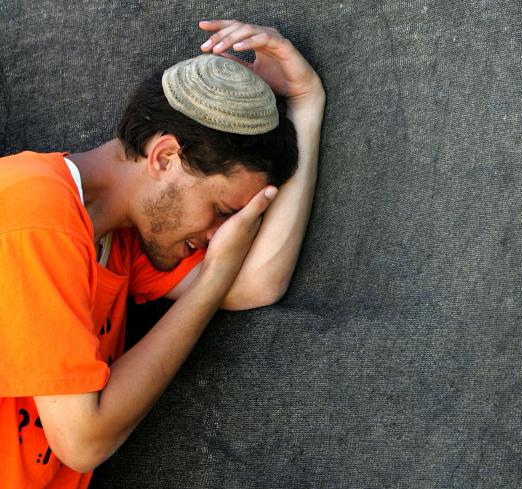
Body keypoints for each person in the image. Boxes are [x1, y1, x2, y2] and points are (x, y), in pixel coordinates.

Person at [0, 20, 325, 488]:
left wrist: (306, 105)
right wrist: (213, 278)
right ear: (165, 157)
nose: (220, 235)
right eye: (220, 211)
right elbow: (82, 441)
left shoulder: (117, 237)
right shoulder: (36, 219)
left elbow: (258, 282)